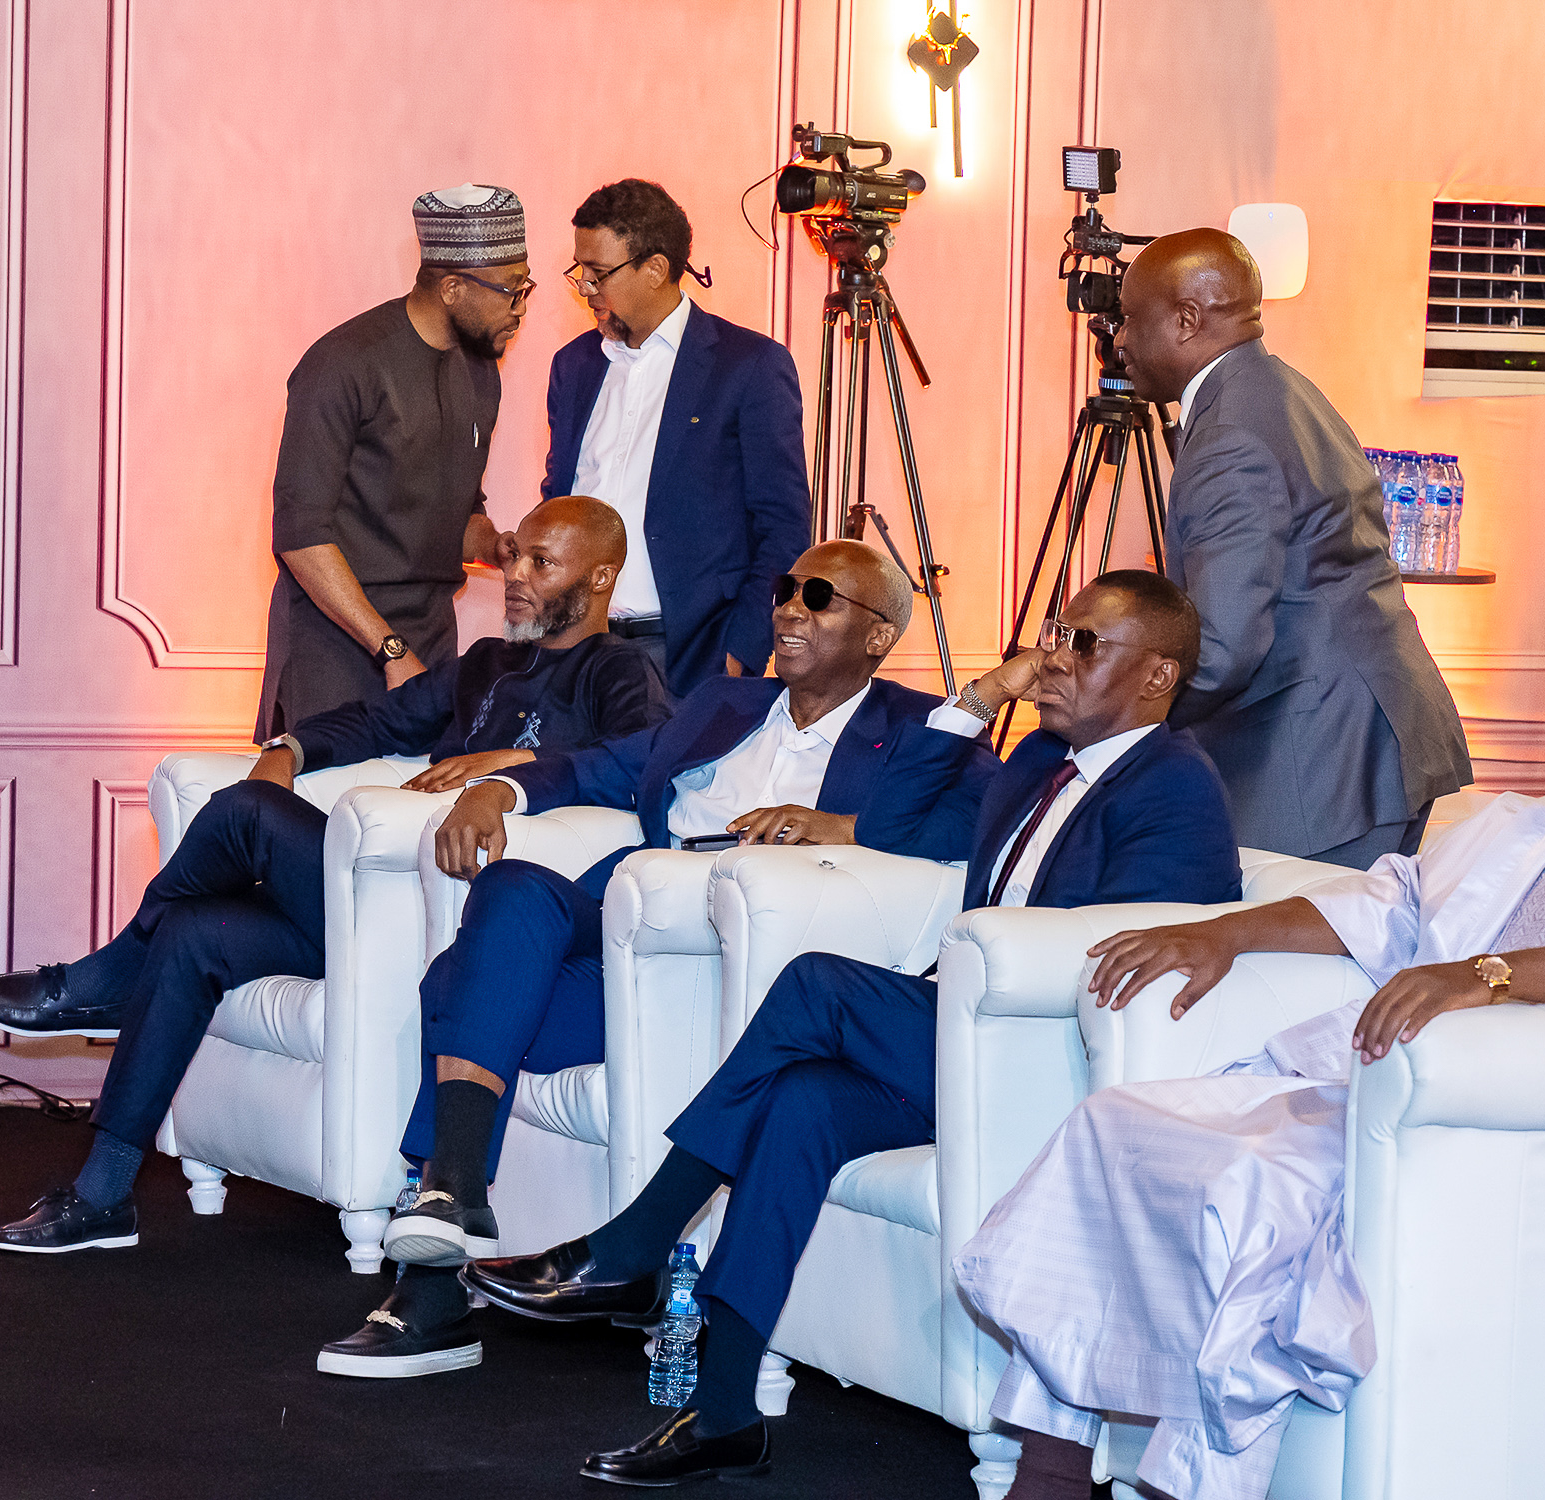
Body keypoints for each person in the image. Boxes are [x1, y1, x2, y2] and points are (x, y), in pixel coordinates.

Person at [954, 603, 1545, 1500]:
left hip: (1496, 1129)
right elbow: (1384, 902)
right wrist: (1224, 934)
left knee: (1252, 1186)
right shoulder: (1519, 827)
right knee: (1116, 1123)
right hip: (1362, 1087)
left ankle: (1192, 1485)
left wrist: (1481, 976)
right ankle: (1050, 1469)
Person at [458, 570, 1245, 1487]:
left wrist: (984, 981)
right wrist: (982, 696)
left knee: (816, 986)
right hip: (957, 1034)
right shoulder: (1039, 759)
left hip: (1043, 1060)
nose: (1053, 659)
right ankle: (723, 1411)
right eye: (1054, 634)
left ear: (1157, 676)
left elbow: (1126, 968)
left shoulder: (1176, 788)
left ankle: (636, 1242)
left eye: (1083, 644)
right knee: (800, 1103)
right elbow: (897, 820)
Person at [316, 539, 999, 1379]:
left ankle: (431, 1291)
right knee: (512, 890)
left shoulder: (914, 730)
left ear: (880, 634)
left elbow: (986, 821)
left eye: (820, 597)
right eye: (786, 589)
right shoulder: (727, 702)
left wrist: (843, 828)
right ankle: (455, 1191)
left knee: (460, 985)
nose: (790, 608)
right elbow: (606, 766)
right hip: (619, 927)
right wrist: (499, 787)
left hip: (707, 968)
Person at [0, 496, 671, 1255]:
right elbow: (377, 721)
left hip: (442, 922)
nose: (516, 575)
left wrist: (518, 767)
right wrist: (289, 747)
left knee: (246, 813)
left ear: (600, 578)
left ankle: (108, 978)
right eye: (515, 556)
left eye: (542, 562)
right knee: (194, 931)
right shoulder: (484, 665)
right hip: (361, 902)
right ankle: (102, 1194)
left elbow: (644, 759)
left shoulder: (618, 670)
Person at [1113, 228, 1471, 868]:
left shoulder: (1229, 434)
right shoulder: (1281, 387)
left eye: (1130, 319)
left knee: (1291, 935)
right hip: (1372, 733)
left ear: (1187, 320)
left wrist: (1113, 718)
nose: (1118, 339)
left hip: (1320, 762)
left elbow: (1221, 649)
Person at [256, 184, 534, 738]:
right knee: (327, 793)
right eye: (509, 290)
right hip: (335, 648)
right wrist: (389, 649)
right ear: (452, 288)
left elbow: (454, 510)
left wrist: (491, 545)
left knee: (421, 794)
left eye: (526, 287)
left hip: (430, 647)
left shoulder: (480, 371)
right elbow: (300, 536)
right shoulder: (341, 364)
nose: (521, 307)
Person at [544, 179, 811, 697]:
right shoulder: (573, 365)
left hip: (690, 654)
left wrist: (742, 650)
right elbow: (561, 496)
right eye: (579, 270)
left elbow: (783, 525)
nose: (584, 287)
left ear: (655, 269)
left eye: (598, 273)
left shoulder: (749, 365)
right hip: (574, 650)